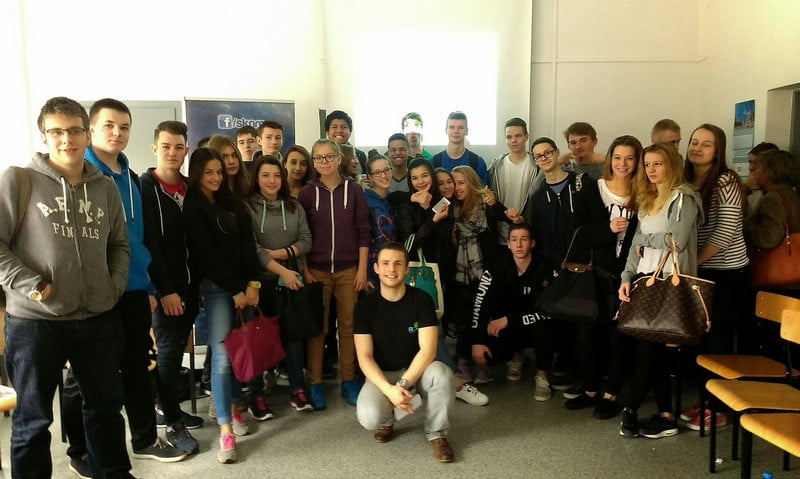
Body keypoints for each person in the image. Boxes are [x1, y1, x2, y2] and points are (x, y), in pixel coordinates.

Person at [0, 96, 132, 478]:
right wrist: (34, 286)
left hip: (97, 318)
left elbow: (119, 245)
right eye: (56, 132)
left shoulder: (105, 187)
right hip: (35, 322)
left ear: (87, 133)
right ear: (44, 136)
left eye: (74, 130)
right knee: (33, 420)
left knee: (106, 410)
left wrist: (113, 287)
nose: (66, 139)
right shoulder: (19, 180)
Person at [62, 98, 189, 472]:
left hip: (133, 290)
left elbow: (139, 239)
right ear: (91, 130)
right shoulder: (79, 174)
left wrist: (148, 287)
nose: (117, 133)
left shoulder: (132, 179)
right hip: (93, 294)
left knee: (137, 367)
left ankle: (146, 439)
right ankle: (80, 451)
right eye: (108, 125)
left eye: (124, 127)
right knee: (84, 378)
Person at [618, 142, 703, 440]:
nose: (651, 170)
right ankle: (666, 415)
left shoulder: (684, 198)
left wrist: (646, 240)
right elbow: (634, 244)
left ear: (672, 166)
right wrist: (626, 276)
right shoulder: (647, 197)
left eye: (658, 164)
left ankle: (630, 408)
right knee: (651, 352)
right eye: (648, 164)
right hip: (646, 279)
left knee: (648, 351)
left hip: (671, 281)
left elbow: (677, 241)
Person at [182, 147, 261, 464]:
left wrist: (253, 284)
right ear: (196, 174)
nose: (215, 177)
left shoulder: (232, 202)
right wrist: (235, 290)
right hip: (218, 291)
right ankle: (226, 429)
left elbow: (248, 246)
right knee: (223, 358)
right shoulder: (193, 207)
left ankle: (236, 407)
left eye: (218, 171)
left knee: (242, 352)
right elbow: (206, 257)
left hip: (246, 288)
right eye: (208, 173)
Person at [354, 242, 455, 463]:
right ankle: (387, 421)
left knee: (443, 374)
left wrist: (402, 385)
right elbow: (364, 356)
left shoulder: (422, 299)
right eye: (385, 263)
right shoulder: (364, 307)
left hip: (419, 372)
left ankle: (437, 434)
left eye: (398, 264)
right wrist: (389, 390)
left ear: (407, 269)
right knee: (369, 417)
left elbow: (428, 351)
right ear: (376, 268)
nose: (392, 269)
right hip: (383, 374)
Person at [567, 135, 642, 419]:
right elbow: (578, 236)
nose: (623, 164)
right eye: (618, 157)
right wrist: (607, 229)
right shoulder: (592, 189)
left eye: (630, 158)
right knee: (585, 336)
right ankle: (590, 390)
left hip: (629, 278)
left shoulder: (644, 193)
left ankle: (612, 394)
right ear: (609, 159)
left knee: (618, 338)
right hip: (593, 277)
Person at [141, 120, 204, 457]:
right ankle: (172, 425)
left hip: (191, 287)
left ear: (186, 150)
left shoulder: (190, 188)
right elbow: (148, 243)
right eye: (166, 146)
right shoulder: (145, 187)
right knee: (167, 353)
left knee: (177, 349)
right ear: (155, 147)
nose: (172, 152)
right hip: (166, 290)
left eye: (179, 147)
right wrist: (164, 290)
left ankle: (170, 409)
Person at [298, 139, 370, 409]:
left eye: (329, 156)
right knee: (318, 329)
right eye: (319, 158)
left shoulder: (355, 190)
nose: (324, 162)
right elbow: (302, 235)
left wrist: (362, 269)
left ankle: (348, 380)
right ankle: (315, 382)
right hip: (317, 271)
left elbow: (363, 230)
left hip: (349, 270)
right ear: (314, 162)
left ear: (339, 158)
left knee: (349, 327)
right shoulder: (307, 193)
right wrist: (305, 269)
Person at [246, 156, 315, 412]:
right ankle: (255, 394)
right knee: (257, 340)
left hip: (290, 282)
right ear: (256, 178)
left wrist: (278, 254)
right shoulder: (247, 207)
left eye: (277, 175)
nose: (272, 180)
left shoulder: (294, 206)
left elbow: (306, 241)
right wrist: (281, 268)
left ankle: (297, 389)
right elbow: (252, 248)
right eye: (265, 175)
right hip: (258, 283)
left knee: (292, 337)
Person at [470, 223, 556, 401]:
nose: (519, 245)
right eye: (514, 240)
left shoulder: (545, 266)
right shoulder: (496, 267)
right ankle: (517, 357)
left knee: (544, 325)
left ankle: (543, 374)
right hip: (507, 325)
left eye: (524, 239)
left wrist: (510, 320)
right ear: (508, 244)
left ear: (532, 243)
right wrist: (477, 340)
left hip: (537, 324)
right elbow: (480, 305)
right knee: (488, 355)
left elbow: (549, 309)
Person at [685, 124, 748, 361]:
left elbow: (724, 233)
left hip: (726, 272)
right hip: (698, 270)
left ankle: (720, 386)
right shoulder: (684, 180)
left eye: (706, 144)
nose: (697, 148)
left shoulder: (726, 181)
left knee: (717, 336)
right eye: (694, 142)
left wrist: (693, 264)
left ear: (717, 151)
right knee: (696, 334)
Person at [450, 166, 509, 384]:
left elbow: (509, 219)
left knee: (485, 315)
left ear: (472, 183)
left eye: (462, 182)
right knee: (464, 318)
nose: (457, 188)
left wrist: (496, 204)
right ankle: (463, 361)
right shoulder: (451, 209)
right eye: (454, 183)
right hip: (461, 274)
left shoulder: (486, 205)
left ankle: (483, 363)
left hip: (487, 271)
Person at [488, 117, 544, 248]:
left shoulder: (537, 166)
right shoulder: (496, 167)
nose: (513, 140)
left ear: (526, 137)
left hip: (528, 235)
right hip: (501, 235)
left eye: (518, 136)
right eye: (509, 137)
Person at [364, 151, 397, 289]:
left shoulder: (394, 200)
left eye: (386, 170)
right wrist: (364, 274)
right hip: (372, 269)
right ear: (370, 177)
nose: (383, 175)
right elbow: (360, 238)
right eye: (377, 172)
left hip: (393, 267)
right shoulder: (364, 200)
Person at [431, 111, 489, 185]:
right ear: (446, 130)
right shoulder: (433, 162)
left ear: (466, 131)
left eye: (460, 127)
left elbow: (483, 191)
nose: (456, 131)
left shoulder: (478, 163)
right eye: (452, 127)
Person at [744, 142, 779, 218]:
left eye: (756, 163)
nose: (751, 167)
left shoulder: (774, 195)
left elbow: (752, 218)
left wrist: (755, 189)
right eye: (750, 162)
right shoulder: (747, 187)